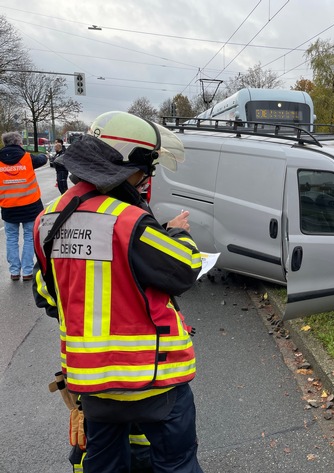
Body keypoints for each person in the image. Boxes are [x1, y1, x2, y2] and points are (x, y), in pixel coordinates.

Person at [32, 111, 204, 473]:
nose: (145, 180)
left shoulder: (47, 219)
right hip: (153, 381)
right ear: (124, 161)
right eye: (146, 170)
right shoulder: (128, 221)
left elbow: (47, 297)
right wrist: (177, 233)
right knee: (176, 464)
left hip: (91, 383)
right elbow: (184, 269)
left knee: (104, 466)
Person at [0, 131, 47, 281]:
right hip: (30, 207)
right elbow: (42, 159)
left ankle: (14, 271)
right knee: (29, 238)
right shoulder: (28, 158)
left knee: (11, 239)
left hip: (8, 207)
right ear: (19, 143)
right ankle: (27, 271)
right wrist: (46, 155)